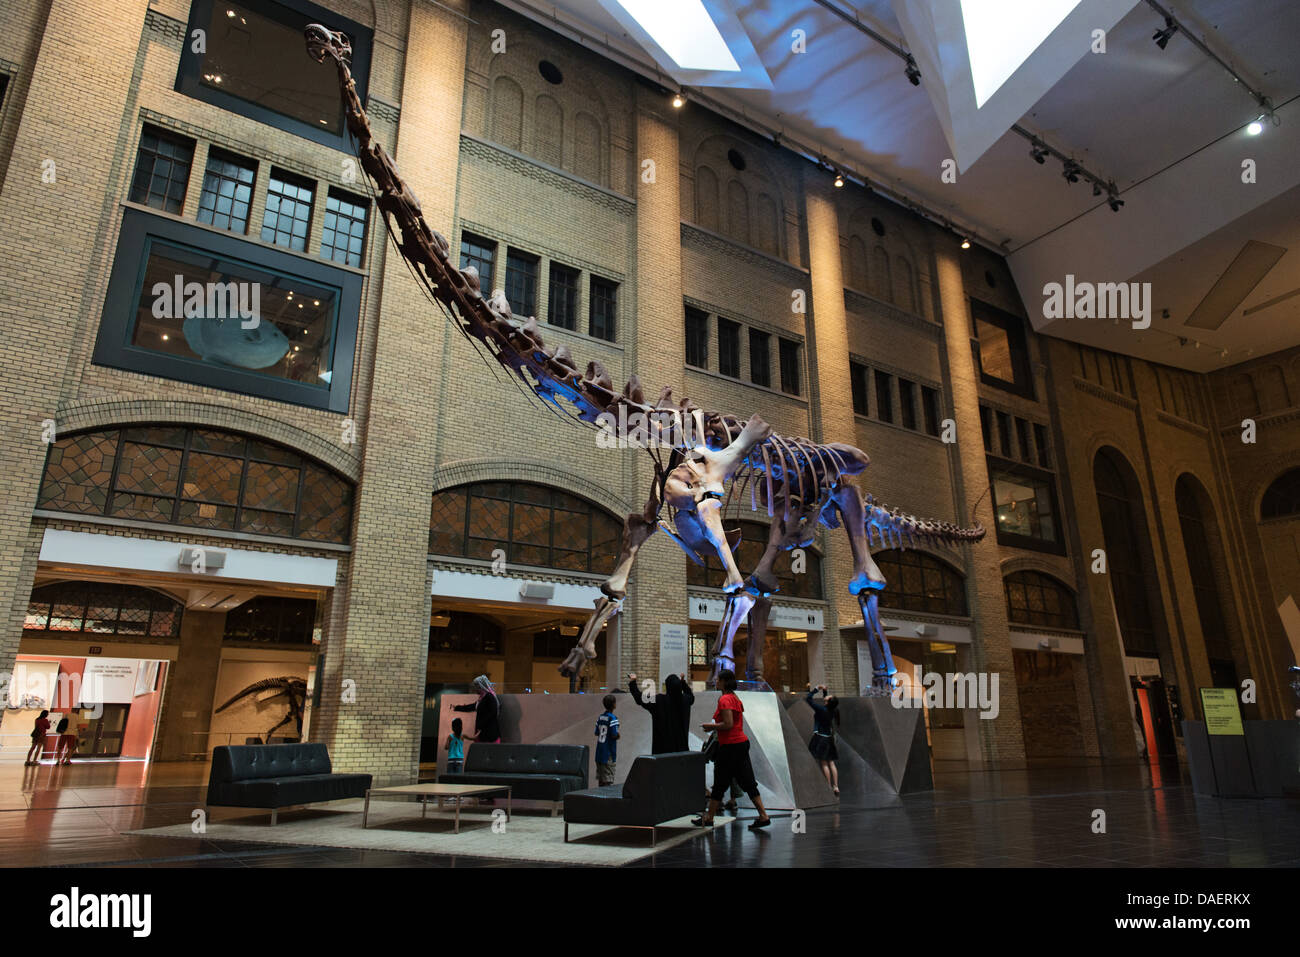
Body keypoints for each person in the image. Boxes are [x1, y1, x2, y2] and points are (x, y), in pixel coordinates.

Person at [694, 670, 771, 830]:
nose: (715, 681)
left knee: (721, 782)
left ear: (723, 681)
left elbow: (728, 724)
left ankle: (709, 818)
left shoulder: (725, 699)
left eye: (718, 679)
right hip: (739, 744)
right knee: (747, 781)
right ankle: (763, 815)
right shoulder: (735, 698)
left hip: (730, 746)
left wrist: (710, 727)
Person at [627, 671, 693, 753]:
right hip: (682, 752)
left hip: (662, 753)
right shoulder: (685, 700)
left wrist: (633, 682)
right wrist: (683, 682)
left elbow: (640, 698)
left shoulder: (659, 701)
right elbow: (690, 695)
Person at [806, 684, 841, 796]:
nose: (828, 696)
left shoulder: (821, 710)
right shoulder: (832, 710)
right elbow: (826, 702)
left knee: (824, 763)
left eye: (829, 696)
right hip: (829, 738)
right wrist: (824, 692)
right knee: (832, 763)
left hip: (821, 739)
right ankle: (836, 786)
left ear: (828, 701)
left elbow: (808, 699)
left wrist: (816, 688)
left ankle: (828, 786)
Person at [452, 674, 501, 743]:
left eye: (476, 687)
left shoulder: (489, 697)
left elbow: (493, 713)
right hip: (483, 732)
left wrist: (481, 725)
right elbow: (472, 707)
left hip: (489, 734)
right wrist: (457, 707)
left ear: (480, 687)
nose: (474, 689)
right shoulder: (482, 699)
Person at [594, 694, 620, 786]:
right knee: (608, 780)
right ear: (614, 704)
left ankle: (599, 799)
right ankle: (606, 799)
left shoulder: (600, 717)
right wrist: (618, 735)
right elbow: (614, 735)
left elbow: (597, 732)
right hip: (608, 753)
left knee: (601, 779)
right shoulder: (613, 718)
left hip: (599, 752)